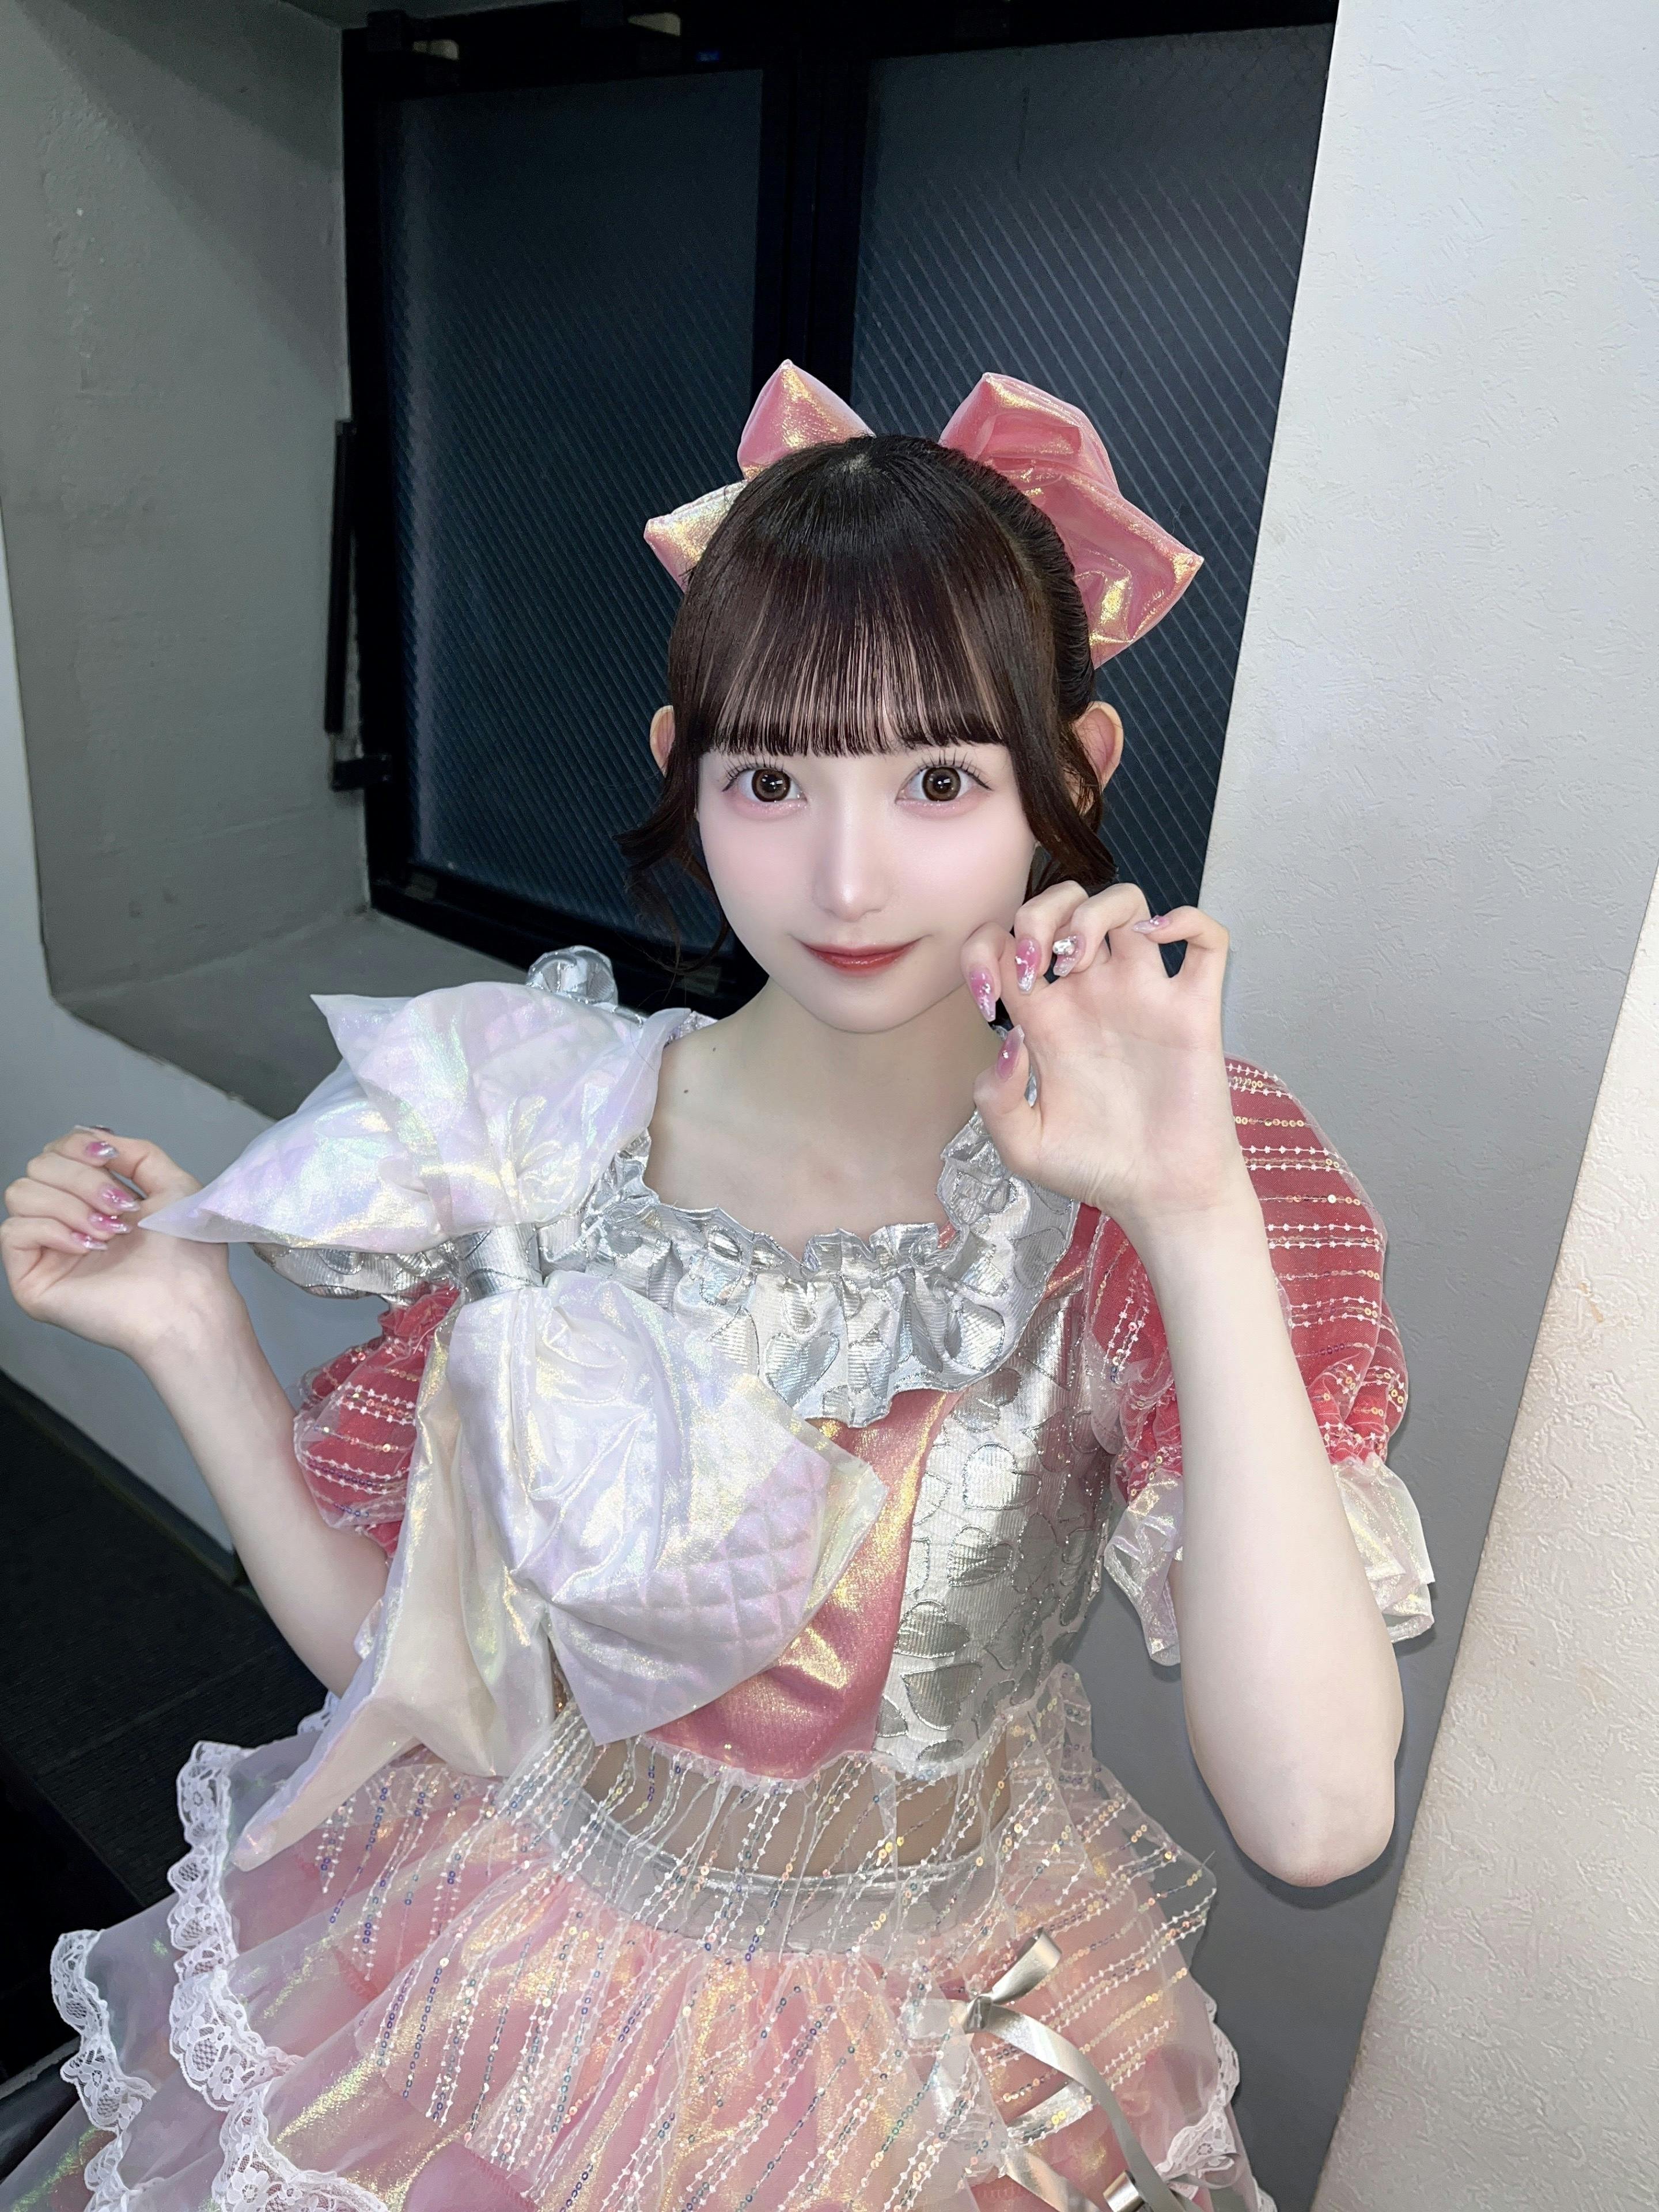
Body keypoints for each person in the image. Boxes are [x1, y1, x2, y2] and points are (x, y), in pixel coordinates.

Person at [0, 363, 1433, 2212]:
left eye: (940, 779)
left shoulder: (1158, 1185)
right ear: (686, 767)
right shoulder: (541, 1133)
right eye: (771, 780)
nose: (847, 876)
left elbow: (1316, 1820)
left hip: (944, 2063)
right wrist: (190, 1333)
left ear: (1072, 776)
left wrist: (1191, 1208)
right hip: (507, 1991)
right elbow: (421, 1674)